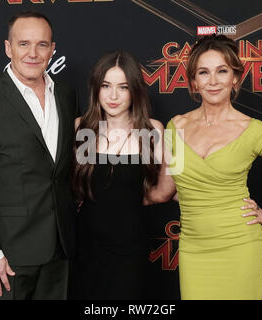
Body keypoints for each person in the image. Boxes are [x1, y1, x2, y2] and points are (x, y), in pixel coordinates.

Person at [145, 34, 262, 300]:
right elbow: (165, 190)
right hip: (195, 251)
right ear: (193, 81)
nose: (213, 81)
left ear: (235, 78)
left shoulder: (252, 130)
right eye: (204, 72)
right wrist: (109, 195)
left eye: (222, 71)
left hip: (241, 248)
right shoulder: (176, 127)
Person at [0, 11, 78, 300]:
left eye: (41, 44)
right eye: (23, 44)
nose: (33, 53)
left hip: (60, 247)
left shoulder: (65, 94)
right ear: (8, 48)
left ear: (52, 49)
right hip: (9, 254)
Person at [72, 50, 163, 299]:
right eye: (106, 86)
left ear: (135, 90)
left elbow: (169, 188)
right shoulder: (82, 127)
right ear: (96, 89)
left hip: (131, 247)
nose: (113, 96)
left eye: (123, 87)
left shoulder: (153, 130)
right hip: (87, 246)